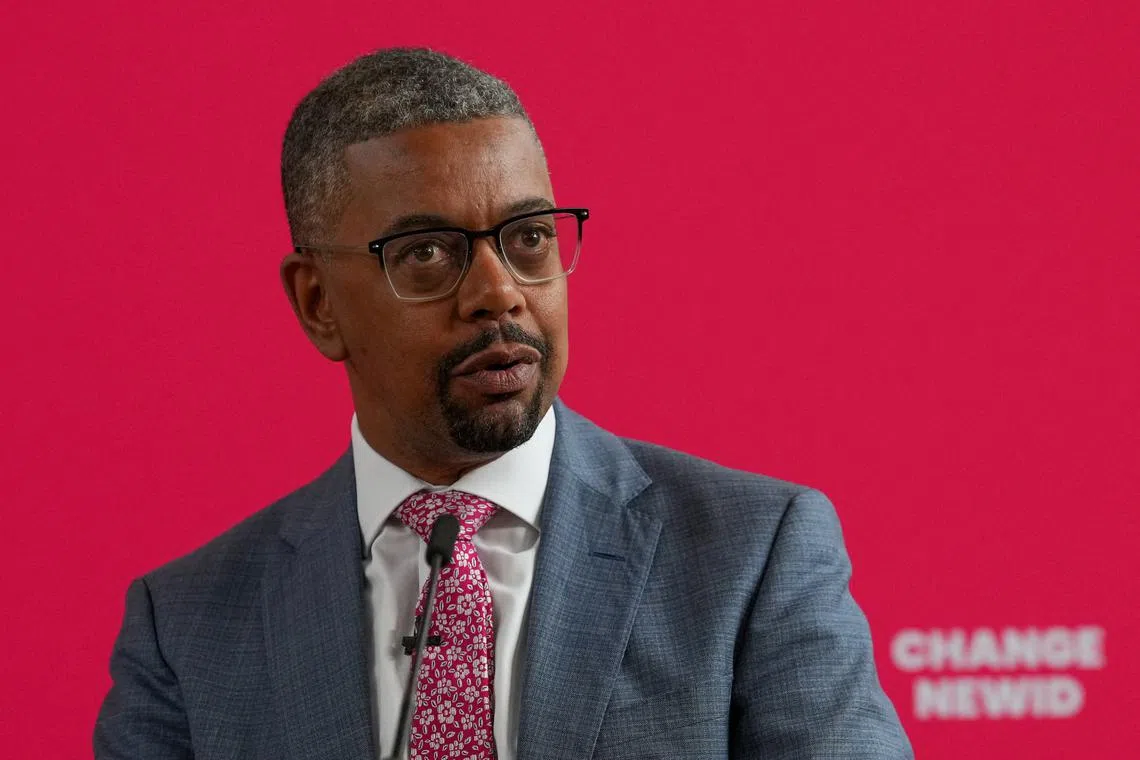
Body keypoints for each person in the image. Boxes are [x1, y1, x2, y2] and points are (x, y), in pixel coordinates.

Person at [94, 48, 913, 759]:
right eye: (426, 253)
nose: (499, 294)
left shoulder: (748, 558)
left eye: (529, 238)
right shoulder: (187, 627)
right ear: (317, 302)